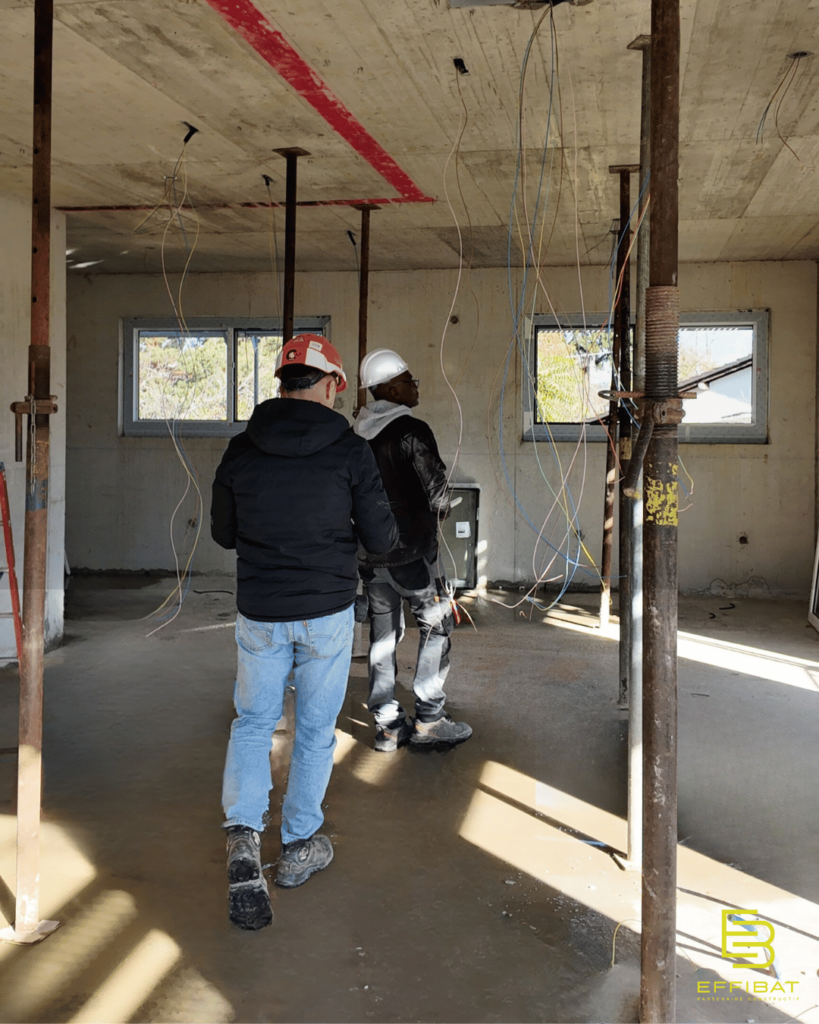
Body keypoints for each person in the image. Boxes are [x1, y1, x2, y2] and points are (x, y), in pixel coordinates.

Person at [211, 334, 397, 931]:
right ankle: (297, 847)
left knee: (253, 723)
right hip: (326, 611)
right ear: (332, 383)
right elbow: (381, 538)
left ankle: (244, 836)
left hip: (261, 609)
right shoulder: (350, 450)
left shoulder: (241, 448)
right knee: (315, 730)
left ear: (283, 384)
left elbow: (223, 533)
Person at [354, 348, 472, 753]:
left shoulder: (355, 434)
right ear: (390, 389)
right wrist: (441, 511)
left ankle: (387, 726)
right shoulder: (411, 431)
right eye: (408, 381)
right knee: (436, 626)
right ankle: (430, 719)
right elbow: (438, 496)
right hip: (415, 557)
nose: (414, 387)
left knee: (382, 637)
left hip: (370, 556)